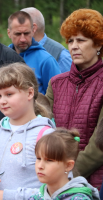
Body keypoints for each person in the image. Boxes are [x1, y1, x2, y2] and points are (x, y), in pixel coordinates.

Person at [0, 63, 55, 200]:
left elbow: (56, 190)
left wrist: (8, 196)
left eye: (9, 94)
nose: (2, 101)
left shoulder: (46, 135)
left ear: (30, 93)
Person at [45, 9, 103, 189]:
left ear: (98, 44)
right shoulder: (56, 83)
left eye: (81, 40)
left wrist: (70, 174)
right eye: (70, 40)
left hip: (94, 181)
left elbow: (99, 144)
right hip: (55, 178)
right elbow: (43, 128)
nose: (73, 46)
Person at [29, 129, 99, 200]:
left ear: (68, 165)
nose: (40, 166)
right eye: (38, 158)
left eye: (49, 160)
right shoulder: (36, 197)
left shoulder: (79, 198)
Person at [7, 11, 60, 94]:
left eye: (26, 33)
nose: (23, 39)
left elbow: (58, 97)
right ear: (9, 33)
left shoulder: (46, 60)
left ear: (33, 31)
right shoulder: (2, 57)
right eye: (18, 34)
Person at [21, 7, 72, 73]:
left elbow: (76, 82)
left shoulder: (61, 56)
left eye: (20, 25)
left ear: (33, 28)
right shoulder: (14, 50)